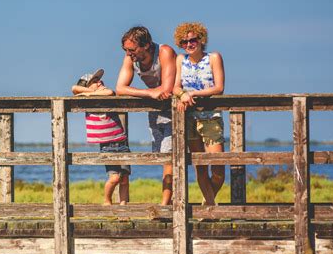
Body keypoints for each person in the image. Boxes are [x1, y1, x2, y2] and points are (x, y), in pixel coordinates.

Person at [116, 26, 176, 205]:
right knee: (160, 156)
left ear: (147, 45)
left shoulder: (164, 52)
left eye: (132, 49)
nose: (128, 53)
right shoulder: (130, 58)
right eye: (126, 50)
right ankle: (171, 201)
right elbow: (120, 88)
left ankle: (165, 204)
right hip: (155, 111)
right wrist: (149, 93)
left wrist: (155, 92)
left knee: (169, 157)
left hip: (175, 110)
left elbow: (167, 89)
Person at [173, 22, 225, 206]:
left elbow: (219, 88)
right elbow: (176, 86)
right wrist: (182, 94)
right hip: (189, 118)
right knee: (200, 166)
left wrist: (194, 93)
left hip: (211, 118)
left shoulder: (213, 58)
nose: (189, 44)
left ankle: (207, 204)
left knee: (218, 169)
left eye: (192, 40)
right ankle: (210, 209)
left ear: (201, 39)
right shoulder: (180, 60)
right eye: (184, 41)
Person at [72, 68, 130, 205]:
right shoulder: (88, 102)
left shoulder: (107, 95)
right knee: (114, 178)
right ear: (85, 87)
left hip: (121, 142)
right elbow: (74, 88)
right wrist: (90, 94)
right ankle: (107, 200)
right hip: (107, 146)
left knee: (125, 179)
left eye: (99, 80)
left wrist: (90, 93)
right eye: (95, 81)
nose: (100, 82)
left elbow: (110, 92)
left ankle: (123, 208)